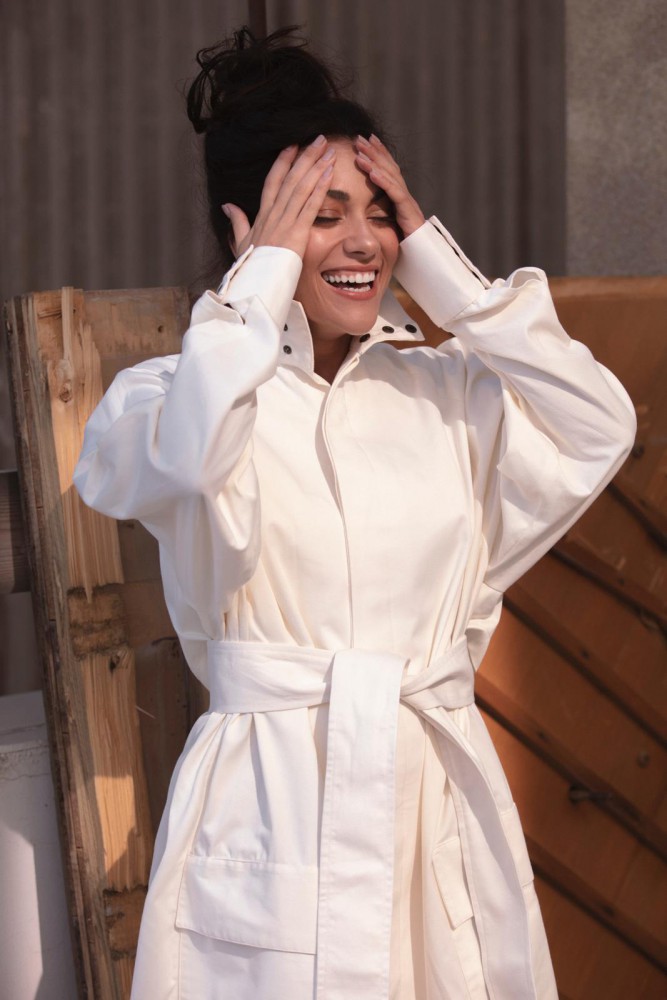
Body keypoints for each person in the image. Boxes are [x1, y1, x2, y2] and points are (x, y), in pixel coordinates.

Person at [73, 26, 636, 1000]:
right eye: (321, 214)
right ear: (248, 230)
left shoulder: (447, 392)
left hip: (429, 818)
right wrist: (257, 289)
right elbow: (192, 460)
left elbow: (599, 423)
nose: (365, 241)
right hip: (270, 816)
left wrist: (445, 276)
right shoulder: (167, 398)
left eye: (381, 213)